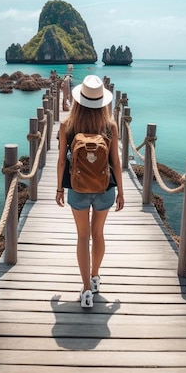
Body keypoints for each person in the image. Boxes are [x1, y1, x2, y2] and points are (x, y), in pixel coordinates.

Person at [56, 75, 124, 308]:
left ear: (78, 100)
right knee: (99, 233)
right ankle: (95, 278)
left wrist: (59, 189)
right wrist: (122, 192)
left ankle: (85, 290)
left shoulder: (67, 125)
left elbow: (61, 162)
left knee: (83, 237)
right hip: (105, 188)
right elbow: (116, 161)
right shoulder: (110, 126)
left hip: (78, 187)